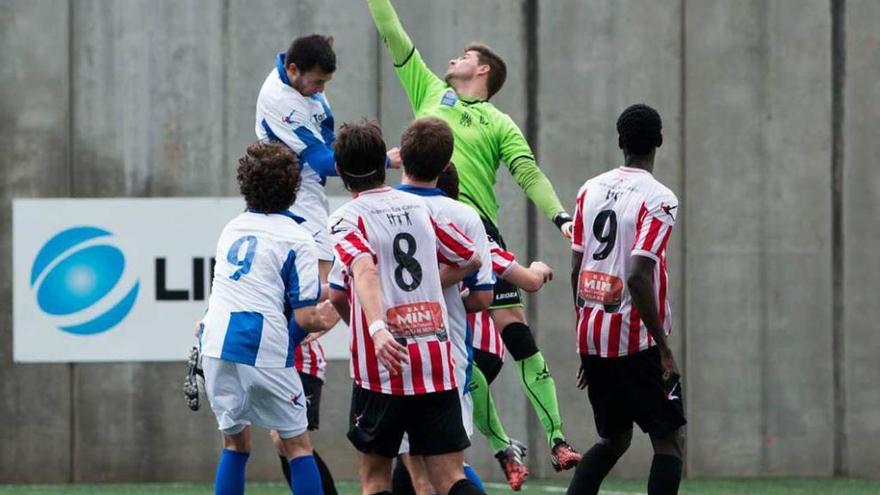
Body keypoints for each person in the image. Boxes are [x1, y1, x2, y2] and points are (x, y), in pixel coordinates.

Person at [366, 0, 580, 471]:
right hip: (421, 225)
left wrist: (561, 217)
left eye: (464, 55)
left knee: (516, 338)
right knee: (454, 350)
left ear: (482, 70)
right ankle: (502, 447)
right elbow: (393, 32)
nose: (452, 60)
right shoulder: (427, 88)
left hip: (475, 231)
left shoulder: (498, 122)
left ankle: (558, 439)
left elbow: (527, 173)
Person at [326, 120, 485, 495]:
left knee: (375, 479)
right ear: (384, 165)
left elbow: (360, 270)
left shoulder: (347, 218)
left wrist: (377, 328)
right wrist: (429, 284)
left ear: (339, 171)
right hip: (433, 358)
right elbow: (470, 257)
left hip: (382, 367)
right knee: (450, 479)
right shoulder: (417, 207)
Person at [199, 141, 339, 495]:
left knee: (235, 445)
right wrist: (332, 314)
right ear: (294, 189)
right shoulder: (298, 237)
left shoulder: (231, 228)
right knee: (297, 446)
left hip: (216, 344)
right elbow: (307, 317)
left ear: (244, 185)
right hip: (262, 348)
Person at [567, 104, 686, 495]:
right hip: (637, 343)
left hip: (594, 338)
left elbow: (575, 269)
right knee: (669, 440)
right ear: (660, 142)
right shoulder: (660, 199)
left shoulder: (590, 189)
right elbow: (637, 274)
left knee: (613, 440)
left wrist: (587, 339)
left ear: (620, 142)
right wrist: (664, 349)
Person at [389, 118, 495, 495]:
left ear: (401, 157)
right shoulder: (465, 216)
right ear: (447, 162)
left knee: (415, 475)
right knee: (449, 471)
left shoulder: (379, 209)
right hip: (446, 354)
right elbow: (483, 297)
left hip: (392, 355)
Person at [439, 165, 553, 491]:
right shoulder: (460, 225)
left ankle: (502, 445)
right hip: (469, 350)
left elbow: (513, 280)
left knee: (435, 459)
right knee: (438, 458)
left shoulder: (449, 227)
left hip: (466, 351)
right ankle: (503, 447)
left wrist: (537, 271)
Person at [255, 33, 401, 284]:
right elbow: (322, 160)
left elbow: (328, 138)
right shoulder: (281, 101)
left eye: (325, 82)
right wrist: (380, 162)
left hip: (309, 190)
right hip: (294, 194)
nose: (321, 89)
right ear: (293, 69)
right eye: (318, 81)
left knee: (310, 290)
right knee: (320, 283)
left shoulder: (304, 86)